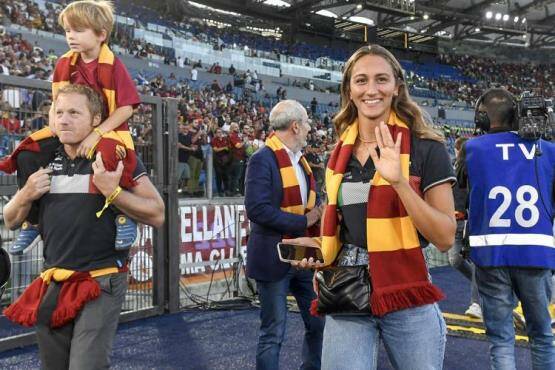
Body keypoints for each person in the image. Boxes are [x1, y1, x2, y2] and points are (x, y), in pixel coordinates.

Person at [286, 45, 456, 370]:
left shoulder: (426, 148)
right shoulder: (339, 154)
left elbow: (446, 237)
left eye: (382, 79)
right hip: (346, 291)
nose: (371, 89)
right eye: (361, 80)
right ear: (349, 90)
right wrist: (317, 248)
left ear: (397, 87)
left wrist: (399, 183)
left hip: (406, 291)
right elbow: (347, 234)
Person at [3, 84, 165, 369]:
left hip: (101, 280)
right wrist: (26, 193)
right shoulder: (41, 160)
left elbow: (157, 213)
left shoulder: (114, 155)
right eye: (59, 112)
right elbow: (11, 220)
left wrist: (113, 192)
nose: (64, 119)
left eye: (74, 113)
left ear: (95, 119)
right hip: (54, 280)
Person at [1, 0, 141, 255]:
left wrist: (98, 132)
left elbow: (127, 107)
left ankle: (123, 216)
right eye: (67, 31)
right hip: (72, 129)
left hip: (107, 131)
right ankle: (32, 220)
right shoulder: (64, 62)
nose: (70, 37)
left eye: (78, 30)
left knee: (109, 153)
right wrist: (55, 121)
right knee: (29, 150)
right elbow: (57, 101)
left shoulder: (113, 64)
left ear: (101, 35)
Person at [460, 87, 555, 369]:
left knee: (501, 339)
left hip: (491, 254)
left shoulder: (472, 148)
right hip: (535, 252)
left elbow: (463, 195)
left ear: (481, 118)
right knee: (542, 336)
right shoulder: (547, 150)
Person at [245, 100, 325, 370]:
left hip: (303, 255)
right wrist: (305, 220)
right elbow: (257, 210)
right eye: (306, 124)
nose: (309, 128)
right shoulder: (261, 159)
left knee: (318, 321)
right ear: (295, 126)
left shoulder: (301, 162)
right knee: (273, 333)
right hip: (273, 258)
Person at [450, 136, 482, 318]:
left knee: (475, 259)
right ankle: (480, 284)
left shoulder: (473, 169)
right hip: (455, 218)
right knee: (454, 260)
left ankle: (476, 301)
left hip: (468, 219)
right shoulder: (454, 167)